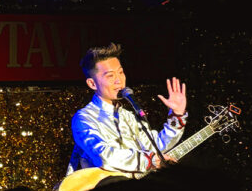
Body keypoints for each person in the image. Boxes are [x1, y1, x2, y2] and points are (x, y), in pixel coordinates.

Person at [69, 43, 188, 178]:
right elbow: (104, 155)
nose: (119, 80)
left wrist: (177, 116)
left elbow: (155, 147)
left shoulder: (129, 115)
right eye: (110, 76)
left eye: (120, 72)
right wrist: (150, 160)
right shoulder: (84, 118)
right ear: (92, 83)